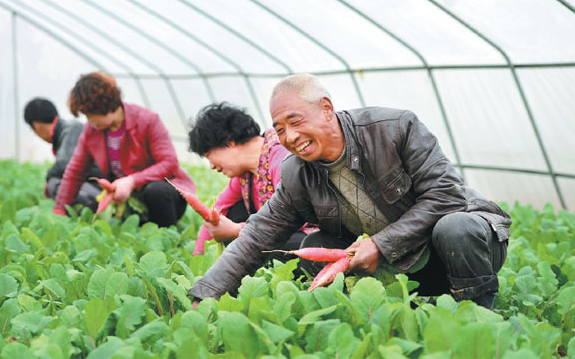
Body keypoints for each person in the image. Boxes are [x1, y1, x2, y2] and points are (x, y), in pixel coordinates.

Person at [188, 74, 511, 310]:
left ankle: (478, 313)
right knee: (315, 244)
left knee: (456, 225)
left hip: (457, 252)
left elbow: (446, 196)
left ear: (326, 108)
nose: (289, 136)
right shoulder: (297, 171)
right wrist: (201, 296)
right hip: (402, 267)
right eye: (280, 128)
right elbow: (258, 235)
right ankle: (394, 312)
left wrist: (380, 245)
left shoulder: (394, 128)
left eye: (295, 121)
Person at [53, 71, 195, 227]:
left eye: (91, 114)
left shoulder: (147, 120)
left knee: (156, 191)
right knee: (87, 214)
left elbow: (169, 163)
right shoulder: (91, 131)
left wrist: (132, 181)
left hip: (164, 198)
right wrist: (60, 210)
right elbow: (75, 171)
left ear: (106, 106)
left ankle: (165, 234)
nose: (90, 121)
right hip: (125, 199)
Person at [187, 102, 315, 257]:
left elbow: (291, 219)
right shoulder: (245, 176)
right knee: (228, 215)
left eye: (209, 156)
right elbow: (215, 211)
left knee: (274, 247)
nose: (212, 166)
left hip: (316, 237)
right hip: (278, 232)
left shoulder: (281, 158)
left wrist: (237, 231)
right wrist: (197, 259)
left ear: (229, 141)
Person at [24, 97, 103, 209]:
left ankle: (89, 214)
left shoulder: (71, 129)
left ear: (37, 125)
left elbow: (64, 163)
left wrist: (48, 179)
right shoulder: (65, 131)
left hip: (103, 189)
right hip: (95, 186)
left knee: (54, 184)